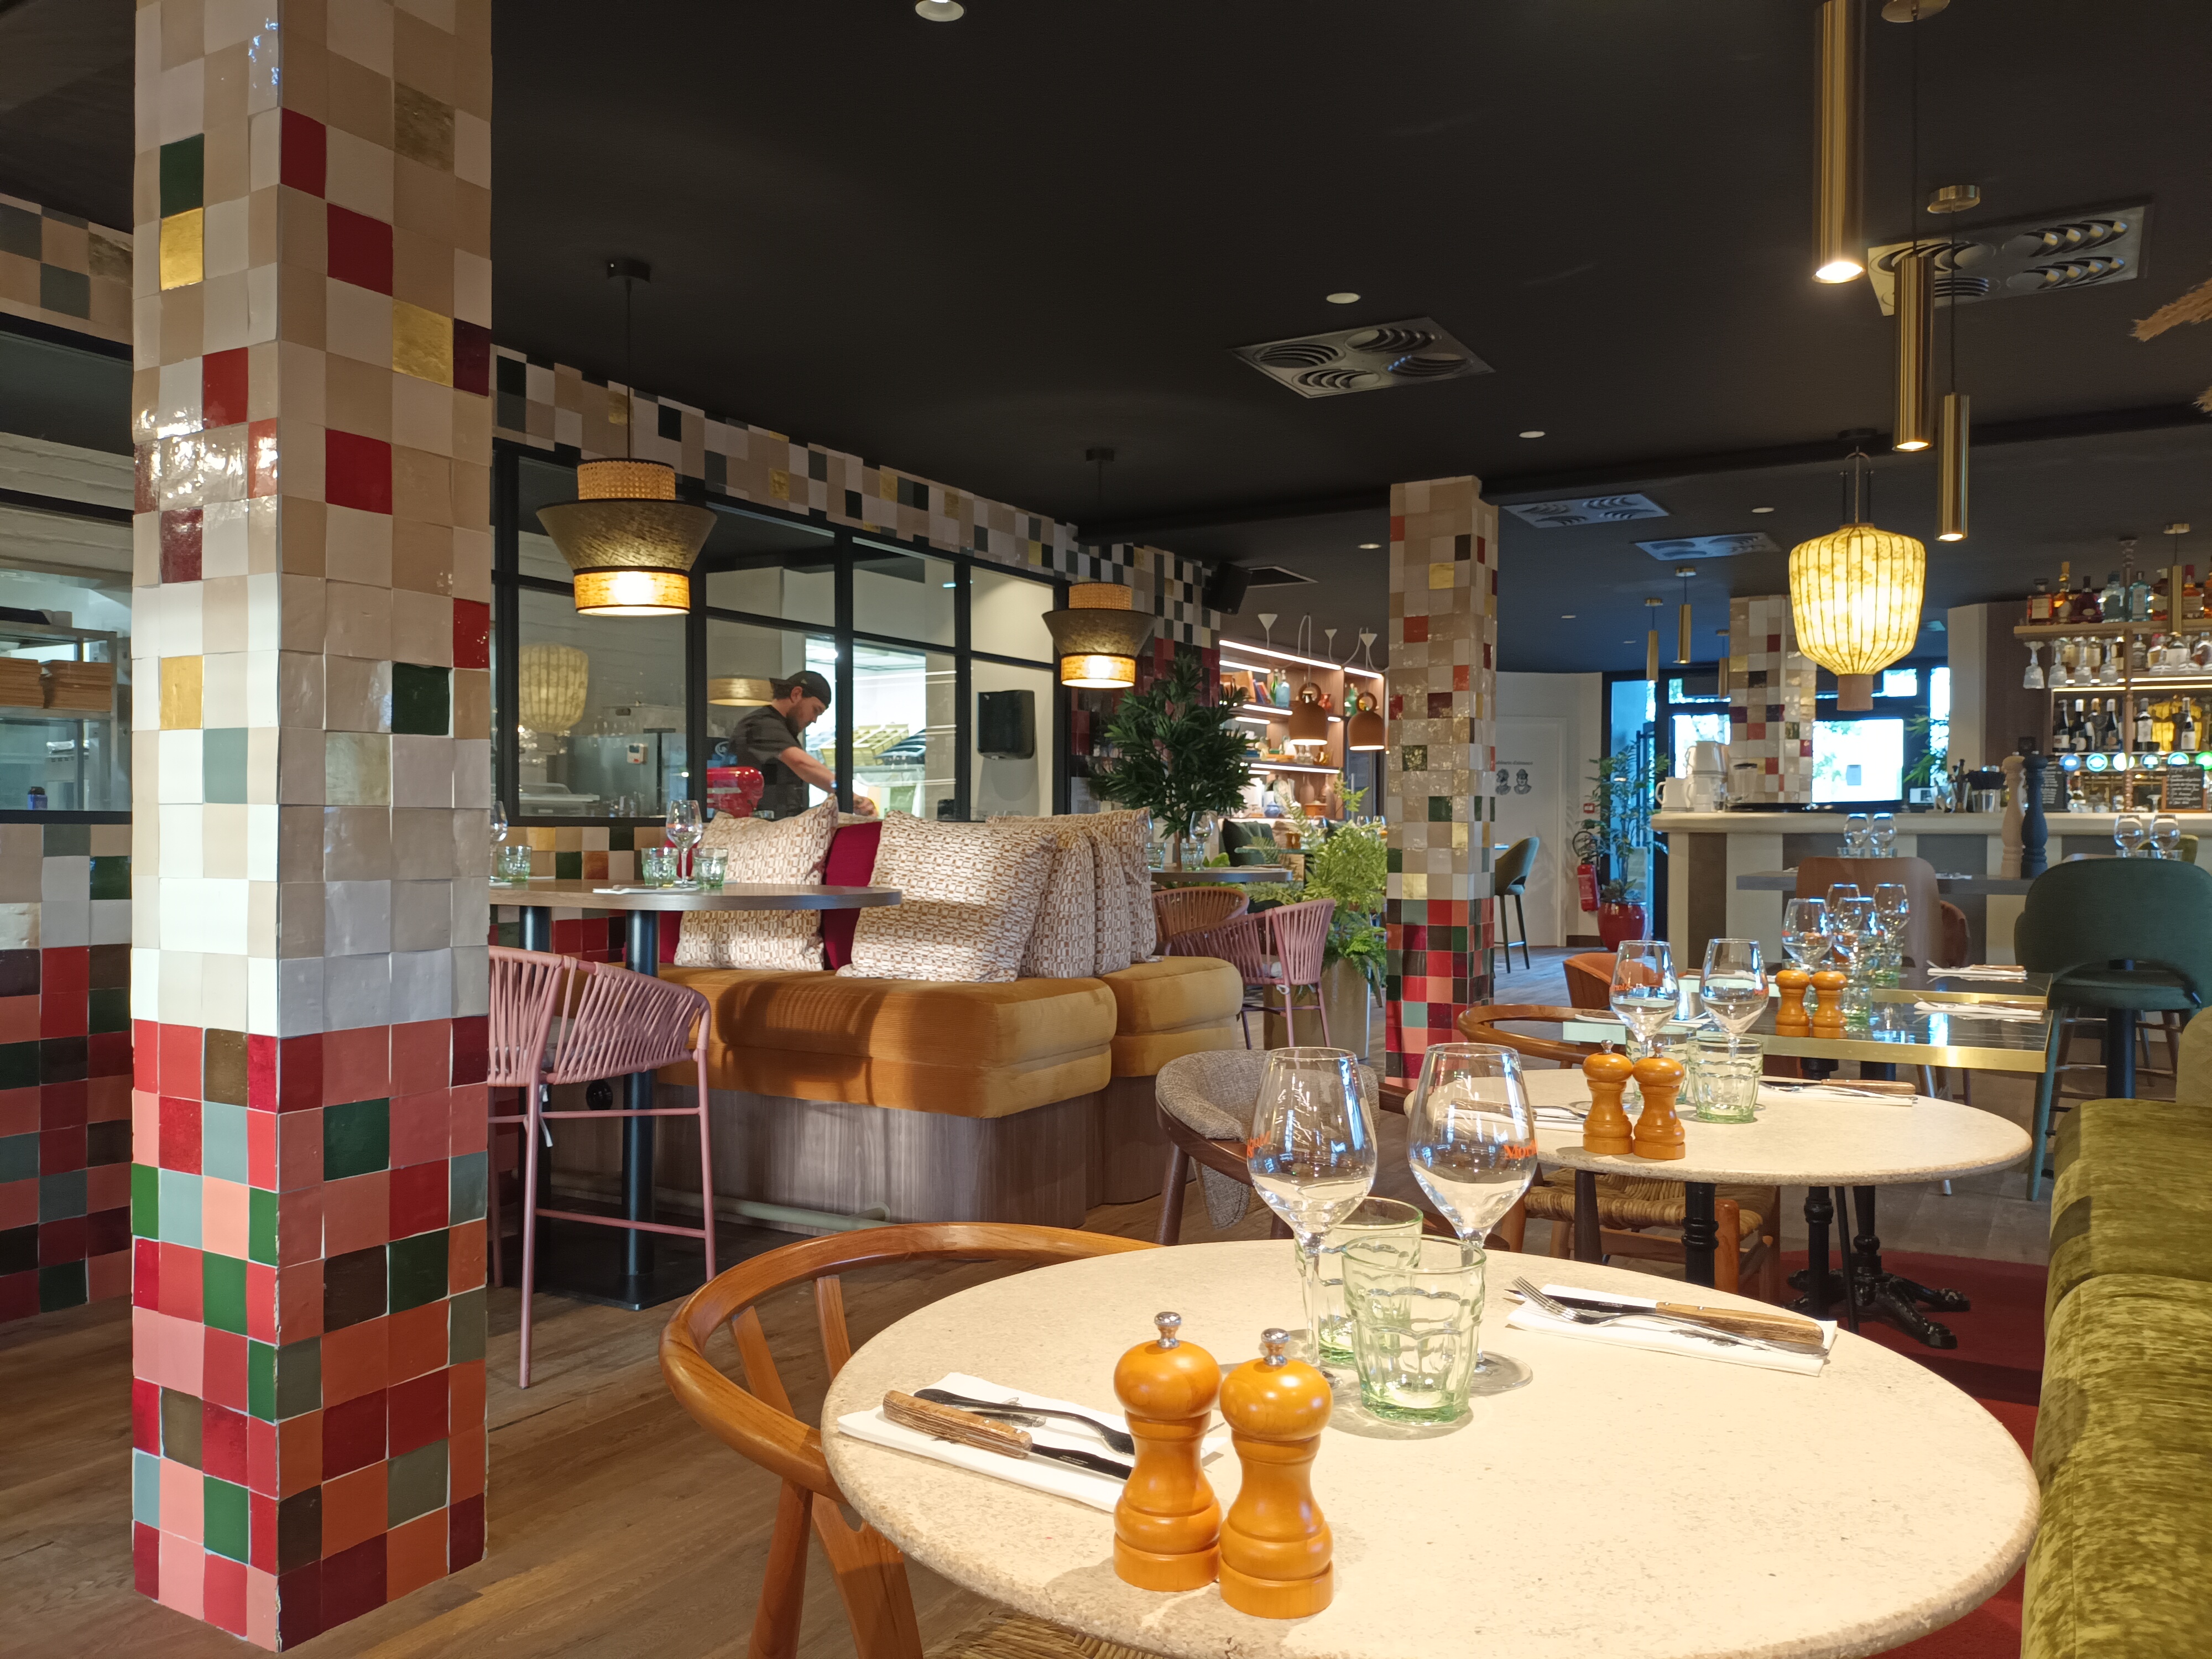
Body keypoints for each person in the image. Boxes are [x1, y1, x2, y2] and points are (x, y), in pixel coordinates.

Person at [723, 670, 876, 820]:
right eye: (815, 710)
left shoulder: (780, 730)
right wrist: (850, 796)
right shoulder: (761, 724)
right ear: (796, 694)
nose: (814, 720)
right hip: (753, 829)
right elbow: (803, 764)